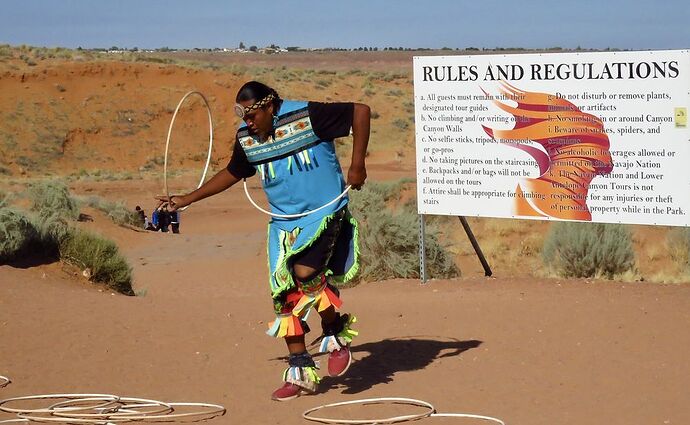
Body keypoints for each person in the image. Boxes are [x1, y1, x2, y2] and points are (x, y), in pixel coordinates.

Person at [161, 81, 370, 401]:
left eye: (253, 115)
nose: (249, 122)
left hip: (325, 212)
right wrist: (187, 198)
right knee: (285, 296)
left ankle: (333, 332)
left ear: (271, 106)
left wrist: (357, 164)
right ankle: (301, 371)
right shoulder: (247, 139)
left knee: (304, 273)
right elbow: (232, 172)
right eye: (244, 117)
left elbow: (360, 112)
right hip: (283, 226)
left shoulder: (308, 115)